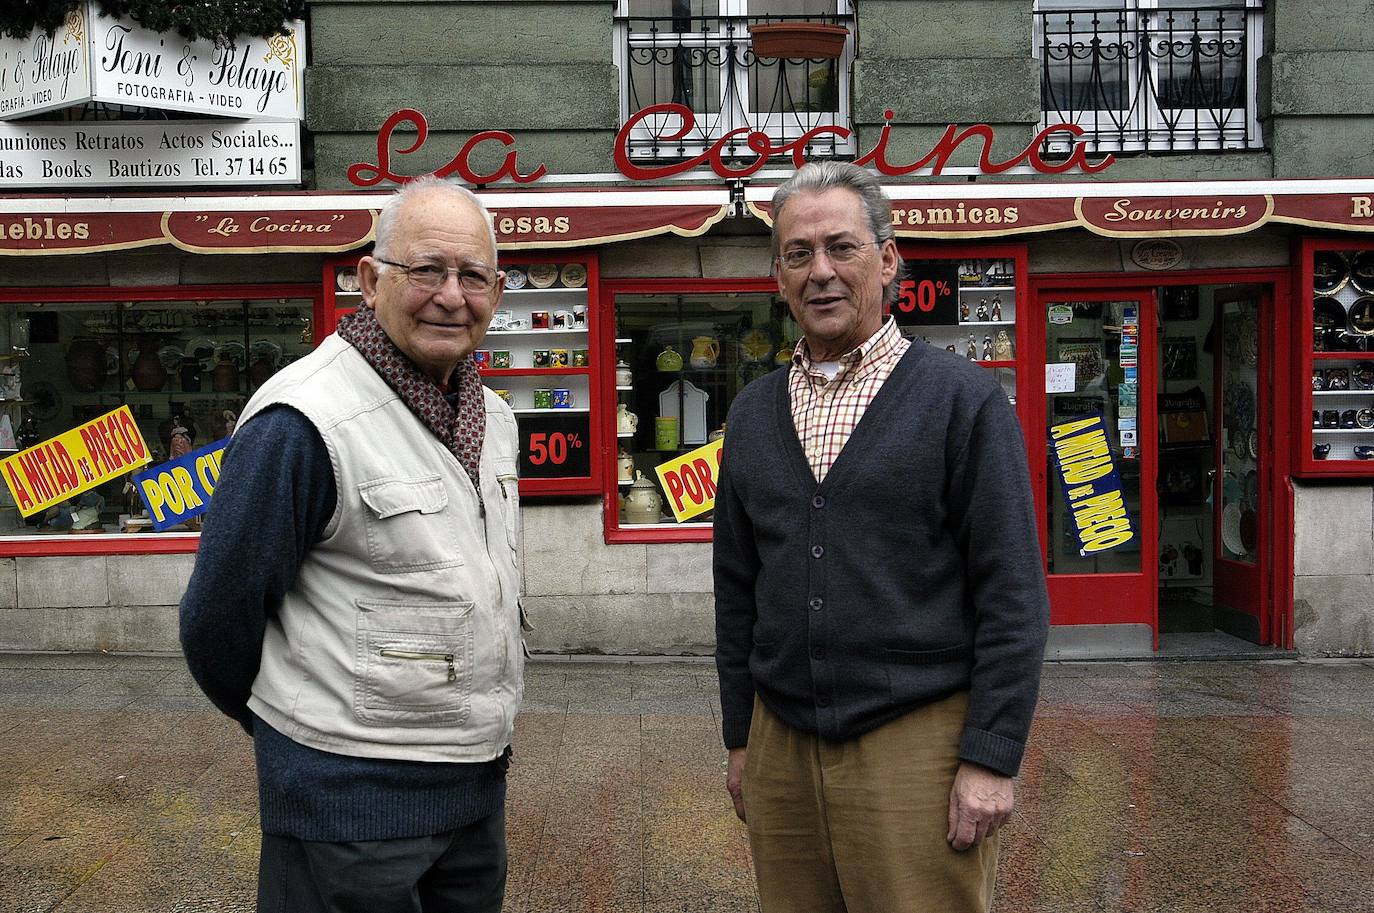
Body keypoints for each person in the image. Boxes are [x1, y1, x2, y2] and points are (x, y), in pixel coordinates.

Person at [180, 175, 525, 913]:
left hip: (472, 798)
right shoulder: (302, 421)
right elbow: (216, 619)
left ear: (497, 291)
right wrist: (299, 739)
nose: (451, 295)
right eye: (426, 269)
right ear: (370, 280)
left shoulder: (493, 417)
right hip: (346, 814)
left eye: (473, 276)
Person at [713, 161, 1049, 913]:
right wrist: (741, 740)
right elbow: (735, 592)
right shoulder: (754, 413)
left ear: (889, 259)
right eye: (797, 253)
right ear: (777, 275)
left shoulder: (961, 400)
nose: (821, 272)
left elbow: (1013, 592)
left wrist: (991, 757)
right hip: (782, 743)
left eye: (842, 247)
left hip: (916, 741)